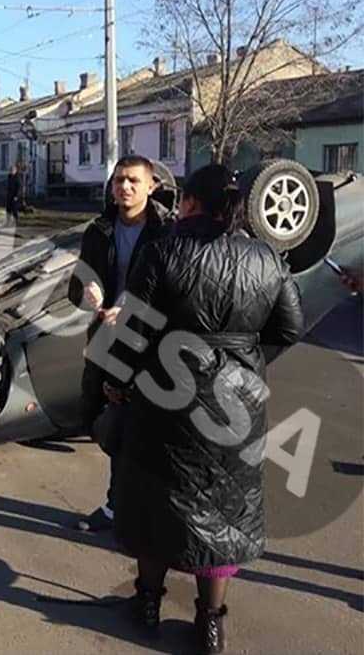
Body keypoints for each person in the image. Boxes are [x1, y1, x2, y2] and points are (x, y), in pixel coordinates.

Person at [108, 163, 303, 653]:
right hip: (235, 402)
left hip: (162, 397)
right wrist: (246, 362)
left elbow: (133, 329)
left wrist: (117, 380)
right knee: (224, 509)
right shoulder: (266, 257)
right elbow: (289, 328)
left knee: (156, 502)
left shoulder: (162, 250)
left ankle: (148, 603)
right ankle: (211, 622)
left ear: (191, 202)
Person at [67, 154, 172, 532]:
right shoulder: (99, 230)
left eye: (132, 181)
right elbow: (74, 288)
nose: (124, 188)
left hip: (153, 344)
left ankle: (146, 508)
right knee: (111, 421)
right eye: (117, 181)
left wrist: (134, 309)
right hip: (108, 340)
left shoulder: (167, 232)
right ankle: (117, 507)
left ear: (151, 186)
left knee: (151, 426)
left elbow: (175, 291)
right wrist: (89, 293)